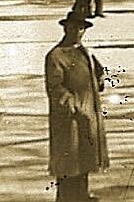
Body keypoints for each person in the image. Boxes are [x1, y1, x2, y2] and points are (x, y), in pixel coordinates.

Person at [45, 12, 109, 202]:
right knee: (68, 162)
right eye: (73, 27)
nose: (78, 32)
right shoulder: (56, 55)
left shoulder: (84, 52)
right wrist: (73, 106)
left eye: (81, 28)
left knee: (84, 159)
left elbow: (95, 76)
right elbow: (55, 88)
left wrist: (100, 79)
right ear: (65, 28)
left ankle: (82, 196)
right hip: (68, 120)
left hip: (88, 115)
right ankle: (68, 198)